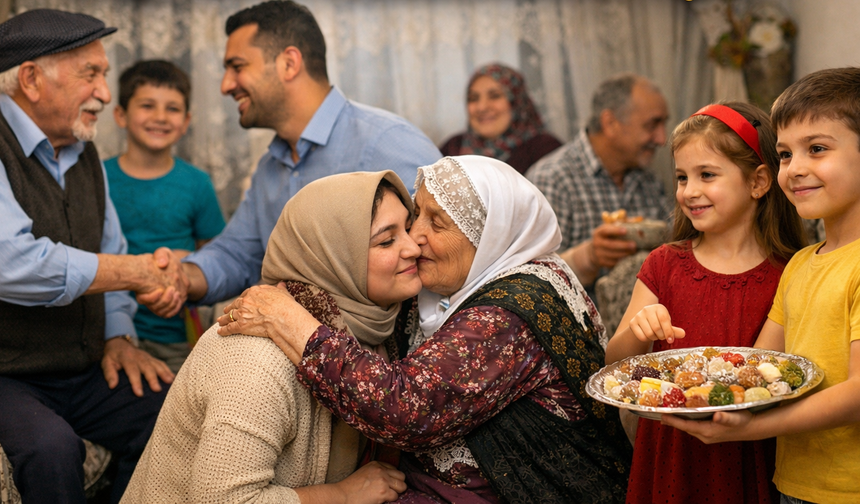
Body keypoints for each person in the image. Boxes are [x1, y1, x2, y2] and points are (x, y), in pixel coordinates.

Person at [219, 156, 634, 503]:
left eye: (437, 224)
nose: (415, 239)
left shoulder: (510, 312)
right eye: (419, 214)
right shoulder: (457, 284)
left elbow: (408, 408)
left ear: (488, 239)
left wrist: (291, 322)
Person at [122, 171, 416, 503]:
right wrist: (343, 495)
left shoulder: (374, 330)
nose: (413, 247)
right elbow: (223, 500)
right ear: (334, 258)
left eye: (409, 228)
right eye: (386, 240)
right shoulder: (256, 359)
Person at [0, 9, 187, 504]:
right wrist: (141, 272)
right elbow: (12, 262)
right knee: (51, 448)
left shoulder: (84, 156)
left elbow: (111, 249)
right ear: (32, 79)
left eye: (103, 76)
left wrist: (119, 337)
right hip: (7, 374)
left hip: (80, 368)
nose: (105, 94)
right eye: (91, 75)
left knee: (174, 412)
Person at [155, 0, 441, 314]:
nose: (226, 86)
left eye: (237, 67)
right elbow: (238, 254)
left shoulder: (387, 142)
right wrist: (180, 276)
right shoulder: (270, 167)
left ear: (289, 63)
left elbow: (444, 255)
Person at [662, 68, 860, 504]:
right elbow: (761, 364)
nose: (796, 169)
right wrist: (693, 387)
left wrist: (753, 428)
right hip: (793, 483)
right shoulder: (802, 265)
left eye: (818, 149)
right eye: (786, 154)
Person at [604, 102, 806, 503]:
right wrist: (638, 328)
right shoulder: (664, 264)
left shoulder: (791, 273)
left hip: (752, 453)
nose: (689, 191)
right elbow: (613, 363)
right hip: (670, 454)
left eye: (707, 175)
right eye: (681, 177)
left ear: (758, 182)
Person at [106, 60, 226, 372]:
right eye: (147, 105)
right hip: (106, 334)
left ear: (186, 121)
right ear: (120, 114)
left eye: (172, 109)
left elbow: (218, 254)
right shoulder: (98, 178)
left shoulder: (196, 183)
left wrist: (188, 260)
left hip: (177, 337)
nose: (160, 117)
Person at [527, 73, 670, 291]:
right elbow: (530, 280)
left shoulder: (649, 180)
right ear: (610, 123)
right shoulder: (553, 179)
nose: (662, 139)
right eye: (652, 125)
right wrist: (590, 257)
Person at [438, 63, 562, 175]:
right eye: (473, 98)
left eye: (495, 96)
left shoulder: (544, 150)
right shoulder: (453, 148)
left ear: (517, 101)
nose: (482, 107)